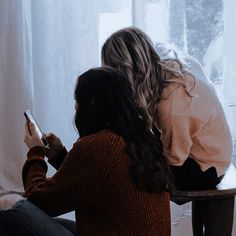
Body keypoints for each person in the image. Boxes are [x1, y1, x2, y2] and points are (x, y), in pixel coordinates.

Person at [5, 67, 171, 235]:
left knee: (8, 211)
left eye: (78, 100)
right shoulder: (143, 141)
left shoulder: (99, 146)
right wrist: (59, 155)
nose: (76, 108)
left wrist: (35, 152)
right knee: (51, 223)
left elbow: (38, 199)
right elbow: (93, 181)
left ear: (91, 103)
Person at [101, 26, 233, 191]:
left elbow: (175, 159)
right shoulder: (166, 69)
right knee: (130, 155)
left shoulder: (171, 105)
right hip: (205, 151)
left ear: (126, 72)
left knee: (130, 173)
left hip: (205, 166)